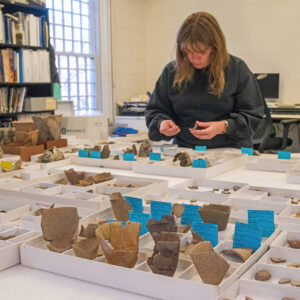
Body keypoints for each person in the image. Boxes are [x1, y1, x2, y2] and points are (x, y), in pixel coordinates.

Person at [145, 12, 264, 149]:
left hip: (230, 150)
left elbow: (253, 116)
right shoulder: (171, 72)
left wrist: (223, 127)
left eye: (202, 52)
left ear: (215, 47)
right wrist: (162, 123)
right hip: (186, 150)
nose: (195, 58)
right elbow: (155, 110)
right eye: (189, 51)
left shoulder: (236, 69)